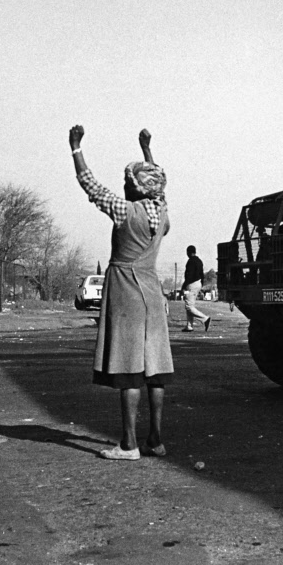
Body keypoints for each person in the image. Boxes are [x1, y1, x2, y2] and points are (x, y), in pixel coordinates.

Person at [70, 124, 172, 461]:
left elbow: (90, 185)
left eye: (128, 182)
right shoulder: (162, 217)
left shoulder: (125, 212)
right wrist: (147, 152)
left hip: (127, 291)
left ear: (133, 187)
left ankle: (128, 445)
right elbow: (159, 191)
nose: (124, 186)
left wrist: (76, 148)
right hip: (152, 292)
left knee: (129, 370)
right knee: (154, 370)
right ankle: (155, 440)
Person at [181, 245, 209, 332]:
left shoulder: (190, 261)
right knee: (190, 304)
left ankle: (205, 319)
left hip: (191, 284)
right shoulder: (199, 261)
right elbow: (202, 274)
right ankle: (189, 326)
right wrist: (201, 284)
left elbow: (189, 275)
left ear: (188, 252)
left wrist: (183, 286)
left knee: (189, 306)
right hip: (198, 283)